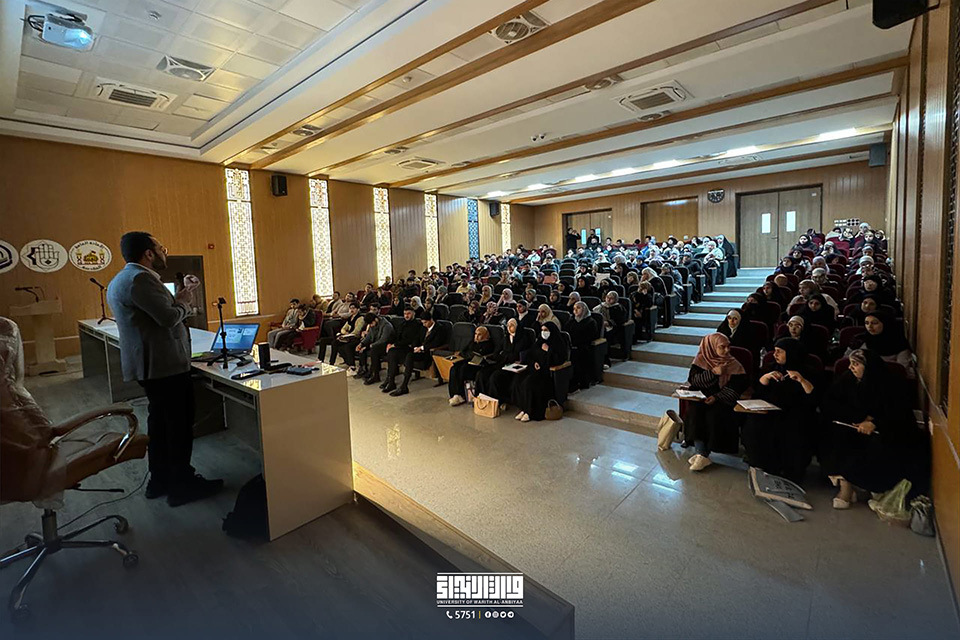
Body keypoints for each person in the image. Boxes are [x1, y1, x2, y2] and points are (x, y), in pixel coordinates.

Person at [106, 231, 222, 506]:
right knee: (178, 427)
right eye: (161, 248)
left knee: (160, 424)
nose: (163, 253)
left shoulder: (122, 279)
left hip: (152, 365)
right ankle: (182, 485)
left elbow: (158, 312)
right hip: (164, 366)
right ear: (149, 253)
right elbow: (169, 317)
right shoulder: (140, 279)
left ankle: (159, 480)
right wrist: (184, 303)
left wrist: (185, 293)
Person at [818, 349, 929, 508]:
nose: (851, 368)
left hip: (884, 430)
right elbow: (829, 403)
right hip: (853, 425)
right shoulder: (848, 378)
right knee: (833, 435)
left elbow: (900, 414)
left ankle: (873, 487)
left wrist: (875, 423)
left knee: (881, 446)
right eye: (850, 363)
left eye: (856, 364)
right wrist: (858, 418)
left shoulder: (890, 384)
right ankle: (846, 487)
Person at [741, 338, 818, 484]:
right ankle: (762, 465)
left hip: (796, 412)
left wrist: (802, 380)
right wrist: (765, 378)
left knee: (794, 431)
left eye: (779, 352)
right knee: (754, 426)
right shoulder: (771, 368)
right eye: (775, 351)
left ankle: (791, 472)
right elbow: (759, 394)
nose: (775, 355)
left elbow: (813, 399)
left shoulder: (808, 371)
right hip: (771, 410)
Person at [683, 333, 748, 471]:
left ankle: (703, 454)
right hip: (702, 398)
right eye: (722, 347)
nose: (727, 350)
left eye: (728, 346)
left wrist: (717, 397)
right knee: (695, 412)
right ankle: (701, 453)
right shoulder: (701, 359)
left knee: (714, 415)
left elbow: (737, 387)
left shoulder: (733, 364)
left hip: (723, 399)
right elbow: (694, 380)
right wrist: (713, 373)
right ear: (711, 347)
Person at [514, 321, 569, 422]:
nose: (544, 332)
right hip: (535, 370)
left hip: (547, 374)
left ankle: (530, 412)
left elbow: (559, 359)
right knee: (519, 379)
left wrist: (549, 350)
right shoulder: (539, 342)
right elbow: (530, 356)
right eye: (542, 330)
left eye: (546, 330)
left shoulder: (558, 343)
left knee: (529, 383)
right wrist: (534, 363)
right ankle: (524, 409)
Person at [483, 318, 534, 404]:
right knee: (485, 374)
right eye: (508, 325)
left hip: (515, 366)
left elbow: (524, 354)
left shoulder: (524, 338)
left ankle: (500, 402)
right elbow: (497, 351)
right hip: (503, 363)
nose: (509, 327)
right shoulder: (506, 337)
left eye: (512, 325)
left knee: (495, 377)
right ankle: (487, 400)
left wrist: (515, 358)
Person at [847, 311, 915, 375]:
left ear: (885, 324)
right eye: (867, 323)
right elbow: (846, 361)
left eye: (874, 323)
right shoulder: (860, 340)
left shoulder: (899, 343)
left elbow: (902, 370)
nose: (869, 326)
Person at [448, 326, 497, 406]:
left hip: (479, 365)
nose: (476, 336)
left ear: (485, 336)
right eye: (475, 334)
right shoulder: (473, 342)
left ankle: (461, 394)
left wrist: (470, 355)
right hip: (468, 361)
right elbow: (463, 351)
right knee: (454, 368)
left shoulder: (488, 344)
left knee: (463, 369)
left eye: (479, 335)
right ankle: (455, 394)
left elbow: (484, 355)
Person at [381, 307, 424, 394]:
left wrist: (395, 345)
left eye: (408, 314)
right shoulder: (402, 323)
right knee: (391, 352)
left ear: (414, 314)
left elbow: (411, 340)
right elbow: (395, 336)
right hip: (401, 347)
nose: (406, 316)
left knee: (395, 352)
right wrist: (390, 343)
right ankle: (391, 380)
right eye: (405, 314)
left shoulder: (417, 325)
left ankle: (403, 385)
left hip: (409, 348)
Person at [567, 301, 599, 392]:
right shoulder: (572, 320)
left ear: (584, 309)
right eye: (574, 309)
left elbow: (590, 337)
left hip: (584, 347)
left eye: (578, 308)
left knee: (578, 355)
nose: (575, 310)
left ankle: (578, 382)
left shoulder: (591, 322)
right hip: (572, 345)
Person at [356, 313, 394, 384]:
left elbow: (383, 340)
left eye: (371, 323)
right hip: (376, 344)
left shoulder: (386, 326)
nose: (370, 325)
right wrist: (362, 344)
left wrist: (371, 345)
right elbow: (369, 336)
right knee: (362, 348)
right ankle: (365, 370)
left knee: (374, 349)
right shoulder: (373, 325)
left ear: (376, 319)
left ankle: (375, 375)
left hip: (386, 345)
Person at [326, 302, 365, 370]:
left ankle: (352, 365)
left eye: (353, 308)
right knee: (335, 342)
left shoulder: (360, 318)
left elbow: (357, 331)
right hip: (348, 336)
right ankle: (331, 362)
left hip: (355, 337)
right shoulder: (350, 318)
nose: (351, 310)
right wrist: (346, 333)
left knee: (346, 346)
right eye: (350, 308)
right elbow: (343, 329)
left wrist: (348, 334)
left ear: (358, 309)